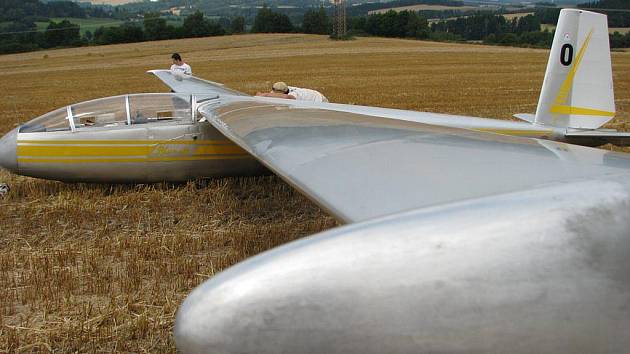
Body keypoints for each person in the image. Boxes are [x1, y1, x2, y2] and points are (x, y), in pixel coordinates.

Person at [257, 82, 329, 103]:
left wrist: (265, 94)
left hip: (320, 100)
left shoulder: (293, 94)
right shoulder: (279, 89)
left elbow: (287, 97)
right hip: (310, 102)